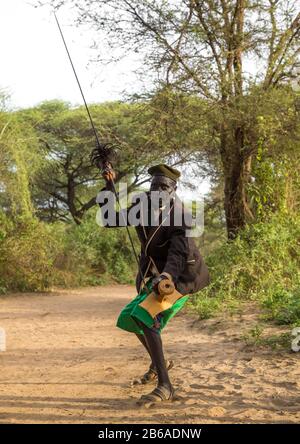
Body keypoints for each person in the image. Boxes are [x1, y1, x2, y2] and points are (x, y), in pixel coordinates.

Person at [96, 163, 210, 404]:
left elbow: (178, 255)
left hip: (180, 278)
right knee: (130, 316)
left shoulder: (181, 216)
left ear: (173, 190)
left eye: (164, 186)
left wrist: (166, 276)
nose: (157, 191)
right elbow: (109, 219)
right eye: (154, 186)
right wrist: (109, 184)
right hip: (156, 276)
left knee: (145, 316)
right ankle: (160, 365)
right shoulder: (141, 205)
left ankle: (165, 386)